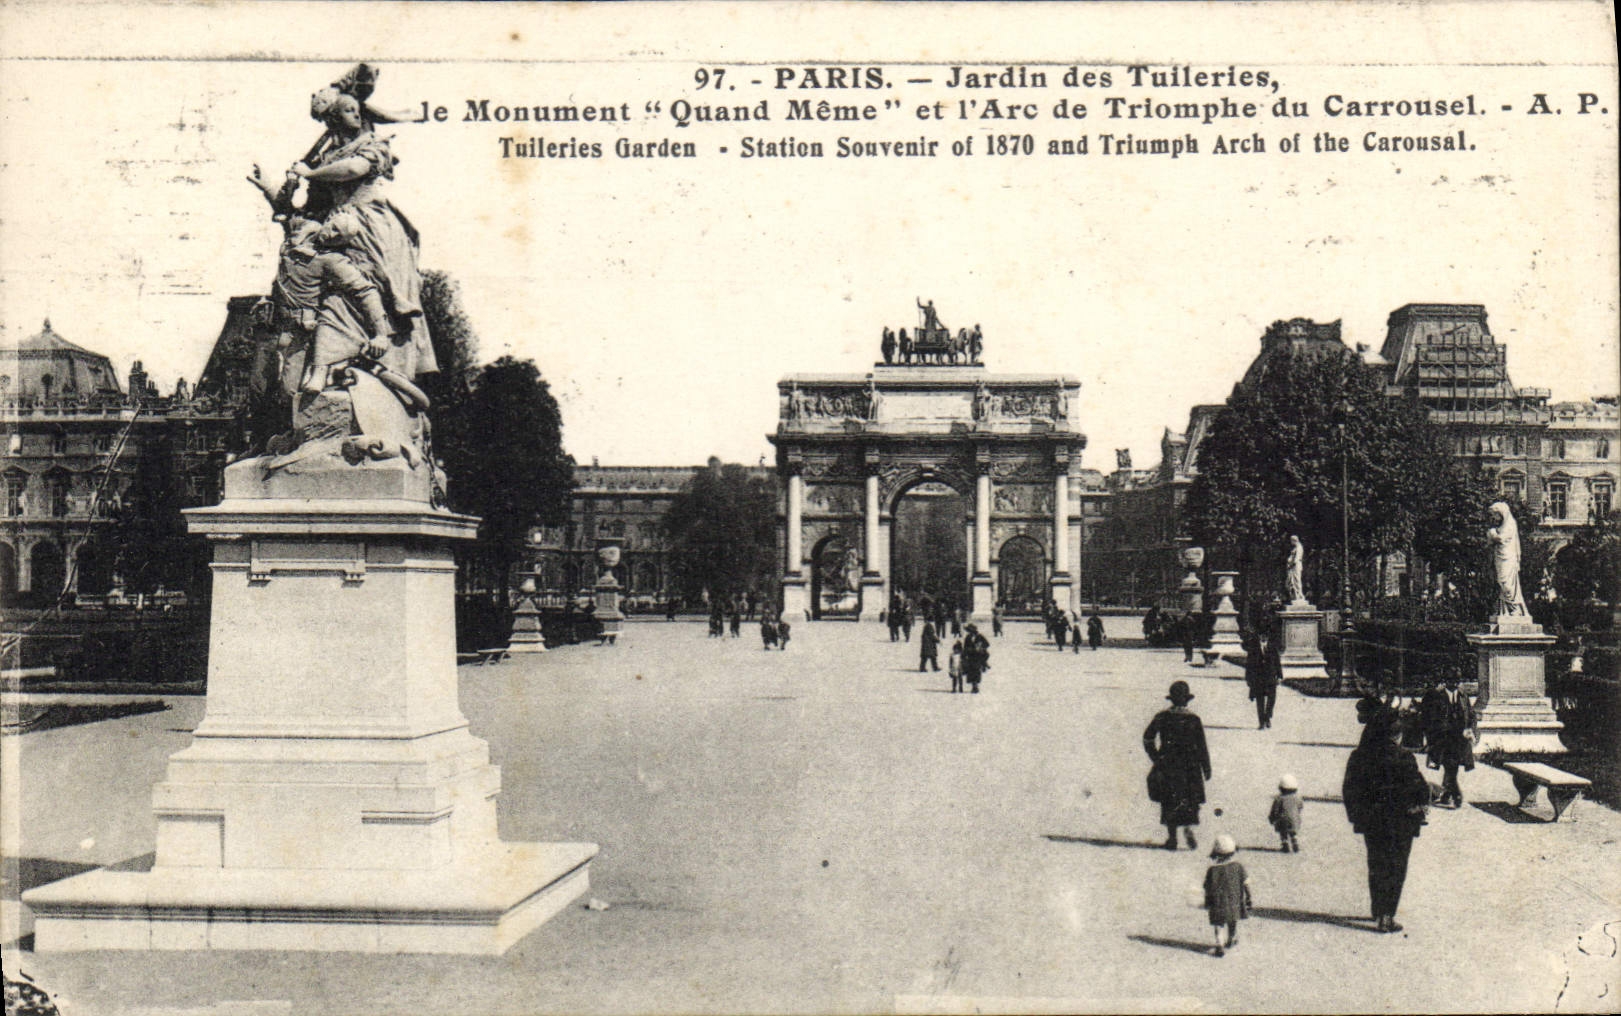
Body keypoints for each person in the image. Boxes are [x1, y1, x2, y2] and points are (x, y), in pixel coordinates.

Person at [1343, 701, 1431, 933]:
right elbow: (1420, 789)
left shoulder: (1359, 757)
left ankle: (1377, 909)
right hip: (1401, 822)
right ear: (1397, 736)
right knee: (1396, 867)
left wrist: (1357, 817)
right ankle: (1387, 915)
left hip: (1372, 821)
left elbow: (1349, 790)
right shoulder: (1404, 759)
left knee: (1376, 863)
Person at [1143, 680, 1212, 850]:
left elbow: (1147, 738)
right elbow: (1202, 746)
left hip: (1168, 765)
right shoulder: (1194, 719)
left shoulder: (1162, 716)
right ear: (1187, 700)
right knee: (1189, 799)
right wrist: (1206, 767)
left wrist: (1156, 757)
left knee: (1169, 800)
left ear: (1171, 699)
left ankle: (1172, 837)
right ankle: (1188, 828)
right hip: (1190, 766)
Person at [1420, 674, 1477, 808]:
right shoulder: (1437, 696)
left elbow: (1471, 714)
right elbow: (1429, 718)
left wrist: (1470, 729)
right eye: (1452, 680)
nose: (1455, 684)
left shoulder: (1463, 696)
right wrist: (1429, 736)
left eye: (1457, 681)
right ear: (1446, 681)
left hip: (1460, 739)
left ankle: (1447, 794)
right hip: (1442, 739)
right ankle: (1456, 795)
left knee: (1453, 766)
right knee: (1450, 765)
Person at [1202, 834, 1252, 957]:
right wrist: (1249, 897)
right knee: (1232, 920)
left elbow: (1207, 887)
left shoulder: (1212, 870)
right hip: (1234, 902)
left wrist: (1207, 901)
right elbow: (1246, 884)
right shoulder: (1238, 867)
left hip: (1217, 903)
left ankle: (1219, 944)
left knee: (1218, 924)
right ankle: (1231, 939)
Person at [1244, 630, 1278, 730]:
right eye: (1262, 636)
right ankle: (1261, 722)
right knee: (1260, 701)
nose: (1264, 638)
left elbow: (1277, 662)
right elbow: (1249, 664)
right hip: (1258, 678)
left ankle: (1267, 716)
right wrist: (1248, 678)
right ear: (1259, 636)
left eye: (1266, 636)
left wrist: (1279, 675)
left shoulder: (1272, 647)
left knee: (1271, 698)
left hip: (1270, 677)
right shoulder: (1253, 649)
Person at [1269, 773, 1303, 853]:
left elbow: (1275, 810)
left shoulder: (1279, 798)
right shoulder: (1297, 798)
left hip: (1283, 820)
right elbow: (1300, 806)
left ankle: (1285, 843)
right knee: (1293, 831)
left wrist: (1272, 818)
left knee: (1283, 831)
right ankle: (1294, 840)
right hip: (1294, 820)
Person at [962, 623, 990, 693]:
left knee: (977, 671)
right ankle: (973, 686)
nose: (970, 632)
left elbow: (987, 644)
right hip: (970, 657)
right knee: (971, 672)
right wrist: (965, 654)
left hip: (978, 657)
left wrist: (980, 647)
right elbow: (965, 647)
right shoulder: (968, 637)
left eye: (970, 630)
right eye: (969, 631)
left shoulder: (980, 636)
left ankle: (976, 685)